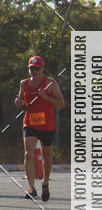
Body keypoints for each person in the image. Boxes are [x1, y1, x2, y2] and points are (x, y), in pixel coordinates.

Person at [15, 55, 65, 201]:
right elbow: (21, 101)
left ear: (42, 69)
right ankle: (31, 188)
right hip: (30, 123)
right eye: (31, 68)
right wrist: (18, 102)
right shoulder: (23, 83)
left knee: (47, 157)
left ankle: (45, 183)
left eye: (37, 68)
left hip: (47, 125)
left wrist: (45, 97)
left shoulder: (50, 83)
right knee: (28, 154)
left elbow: (61, 103)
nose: (34, 71)